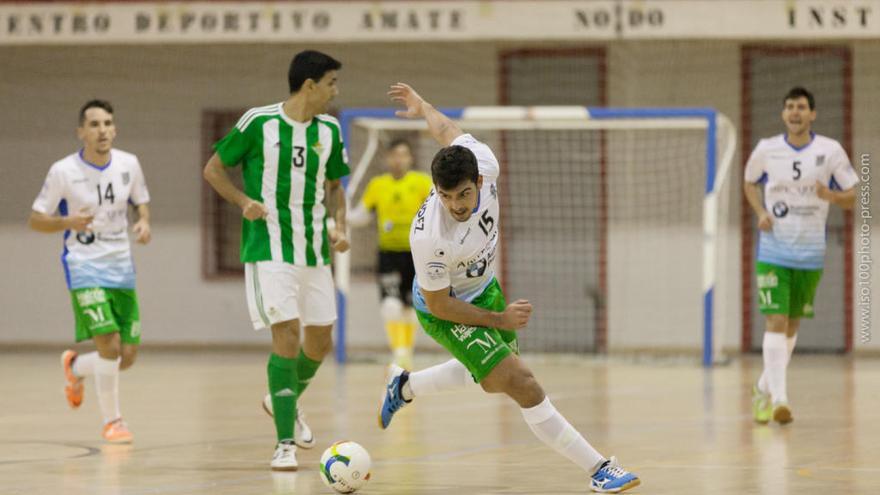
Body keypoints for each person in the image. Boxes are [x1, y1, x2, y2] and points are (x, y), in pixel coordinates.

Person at [377, 83, 641, 493]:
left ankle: (405, 386)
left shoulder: (485, 161)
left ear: (479, 179)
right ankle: (599, 469)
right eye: (447, 197)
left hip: (484, 288)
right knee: (522, 383)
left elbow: (447, 129)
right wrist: (499, 318)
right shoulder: (428, 236)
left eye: (464, 194)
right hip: (445, 309)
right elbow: (441, 304)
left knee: (489, 377)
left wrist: (423, 105)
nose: (458, 205)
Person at [202, 50, 350, 470]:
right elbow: (214, 169)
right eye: (332, 83)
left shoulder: (329, 130)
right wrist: (243, 201)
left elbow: (335, 186)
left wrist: (339, 227)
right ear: (310, 85)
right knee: (286, 336)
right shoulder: (258, 122)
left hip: (315, 250)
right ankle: (284, 443)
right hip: (269, 249)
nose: (335, 91)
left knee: (320, 342)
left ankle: (281, 399)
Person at [29, 99, 152, 444]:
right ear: (81, 132)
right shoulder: (63, 171)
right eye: (94, 124)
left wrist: (143, 222)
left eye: (107, 123)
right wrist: (67, 222)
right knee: (109, 346)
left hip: (121, 267)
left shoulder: (129, 163)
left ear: (114, 129)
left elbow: (141, 201)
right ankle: (113, 422)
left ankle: (75, 367)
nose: (102, 130)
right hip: (84, 266)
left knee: (124, 357)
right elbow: (36, 219)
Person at [745, 86, 858, 425]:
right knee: (775, 320)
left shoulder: (830, 150)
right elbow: (749, 182)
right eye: (790, 106)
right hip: (773, 249)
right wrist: (759, 211)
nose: (795, 112)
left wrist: (832, 197)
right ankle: (780, 398)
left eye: (802, 107)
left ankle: (762, 388)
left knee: (791, 327)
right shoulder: (767, 149)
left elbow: (853, 195)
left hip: (809, 252)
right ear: (783, 114)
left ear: (813, 114)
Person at [349, 139, 433, 369]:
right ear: (387, 158)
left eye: (404, 154)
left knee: (411, 306)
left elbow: (436, 213)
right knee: (390, 305)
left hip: (416, 253)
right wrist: (342, 218)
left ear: (410, 158)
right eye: (395, 155)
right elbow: (363, 215)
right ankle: (399, 352)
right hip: (388, 252)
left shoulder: (422, 182)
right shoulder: (378, 184)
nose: (399, 159)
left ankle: (407, 351)